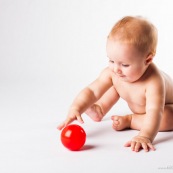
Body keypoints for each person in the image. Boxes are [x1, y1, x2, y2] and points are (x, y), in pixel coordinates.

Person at [57, 16, 173, 152]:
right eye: (111, 60)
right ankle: (99, 108)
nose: (116, 68)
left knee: (168, 118)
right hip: (141, 106)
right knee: (116, 81)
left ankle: (131, 120)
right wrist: (76, 107)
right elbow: (92, 91)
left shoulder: (154, 81)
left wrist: (145, 136)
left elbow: (154, 112)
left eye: (124, 64)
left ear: (147, 60)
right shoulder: (116, 72)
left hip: (164, 108)